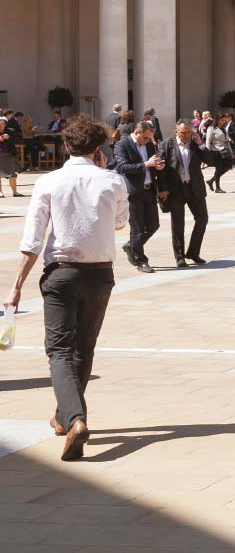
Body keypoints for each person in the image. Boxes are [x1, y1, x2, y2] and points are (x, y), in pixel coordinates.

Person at [4, 115, 128, 461]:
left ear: (65, 145)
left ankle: (74, 418)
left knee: (58, 350)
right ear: (98, 148)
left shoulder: (49, 181)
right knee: (83, 349)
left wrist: (15, 287)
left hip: (61, 272)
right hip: (100, 273)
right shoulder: (112, 181)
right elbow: (120, 223)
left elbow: (32, 240)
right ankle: (65, 417)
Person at [113, 119, 166, 273]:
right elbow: (122, 167)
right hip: (133, 192)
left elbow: (151, 165)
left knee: (153, 225)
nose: (148, 141)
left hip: (149, 190)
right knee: (137, 229)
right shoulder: (122, 144)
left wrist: (158, 165)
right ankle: (140, 261)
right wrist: (145, 164)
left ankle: (131, 246)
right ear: (136, 132)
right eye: (145, 137)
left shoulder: (148, 144)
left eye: (149, 138)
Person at [158, 121, 209, 267]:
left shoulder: (196, 145)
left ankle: (193, 252)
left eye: (189, 132)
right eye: (183, 132)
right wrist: (163, 188)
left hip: (195, 189)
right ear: (176, 132)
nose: (186, 135)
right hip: (176, 190)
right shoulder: (167, 145)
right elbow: (160, 169)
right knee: (178, 225)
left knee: (202, 219)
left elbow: (210, 160)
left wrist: (201, 144)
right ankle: (179, 256)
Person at [204, 114, 235, 193]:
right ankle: (217, 188)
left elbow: (227, 142)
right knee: (218, 169)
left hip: (224, 150)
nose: (223, 121)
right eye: (222, 120)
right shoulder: (211, 128)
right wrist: (207, 153)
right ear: (217, 119)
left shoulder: (224, 129)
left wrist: (231, 152)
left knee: (227, 167)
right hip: (216, 151)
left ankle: (211, 181)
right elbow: (208, 141)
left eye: (224, 120)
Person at [0, 107, 19, 198]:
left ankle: (15, 192)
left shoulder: (10, 131)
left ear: (5, 125)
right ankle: (0, 192)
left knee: (12, 174)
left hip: (9, 154)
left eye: (2, 124)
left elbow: (17, 141)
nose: (1, 126)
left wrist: (9, 137)